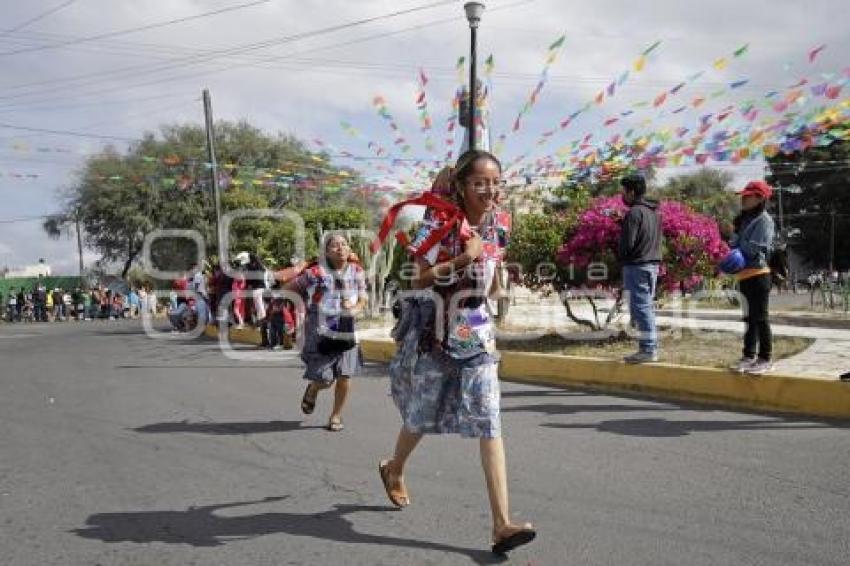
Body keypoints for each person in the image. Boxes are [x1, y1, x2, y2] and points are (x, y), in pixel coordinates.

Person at [377, 150, 535, 556]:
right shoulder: (441, 223)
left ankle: (501, 524)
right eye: (480, 182)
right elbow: (417, 275)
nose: (490, 189)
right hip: (438, 330)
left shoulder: (500, 223)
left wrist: (496, 282)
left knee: (490, 421)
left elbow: (494, 268)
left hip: (478, 332)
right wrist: (465, 257)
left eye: (496, 182)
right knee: (422, 415)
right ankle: (394, 468)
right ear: (463, 186)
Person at [284, 234, 368, 432]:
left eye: (344, 244)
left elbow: (363, 298)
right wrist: (308, 306)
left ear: (349, 248)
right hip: (321, 332)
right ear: (326, 252)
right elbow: (288, 289)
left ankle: (336, 415)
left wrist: (355, 308)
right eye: (334, 246)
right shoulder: (314, 273)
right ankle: (313, 388)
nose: (340, 248)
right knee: (325, 379)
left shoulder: (357, 271)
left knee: (345, 376)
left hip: (347, 329)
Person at [730, 180, 776, 375]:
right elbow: (735, 244)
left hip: (759, 275)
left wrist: (736, 243)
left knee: (761, 318)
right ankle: (748, 356)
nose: (744, 199)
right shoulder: (746, 219)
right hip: (745, 275)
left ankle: (765, 357)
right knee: (749, 319)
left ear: (760, 198)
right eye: (743, 195)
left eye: (748, 196)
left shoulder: (764, 220)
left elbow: (755, 249)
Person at [618, 173, 663, 364]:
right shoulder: (652, 212)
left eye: (624, 191)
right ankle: (648, 347)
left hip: (637, 266)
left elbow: (629, 243)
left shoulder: (634, 212)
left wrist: (620, 255)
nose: (623, 195)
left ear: (632, 191)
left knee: (641, 308)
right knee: (644, 307)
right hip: (651, 265)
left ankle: (648, 349)